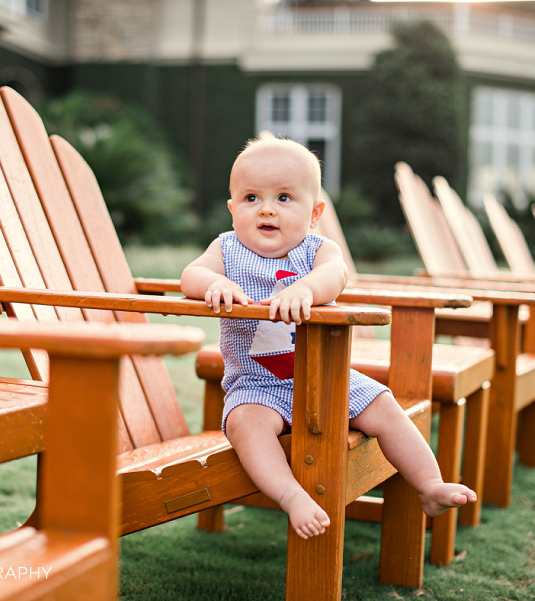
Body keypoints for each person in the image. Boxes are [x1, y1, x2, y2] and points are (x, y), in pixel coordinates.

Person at [180, 135, 476, 540]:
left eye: (284, 198)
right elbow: (190, 275)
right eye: (251, 198)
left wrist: (306, 290)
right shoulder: (227, 250)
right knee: (245, 426)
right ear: (233, 210)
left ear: (314, 212)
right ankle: (291, 496)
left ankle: (430, 485)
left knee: (387, 408)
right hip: (256, 386)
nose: (266, 208)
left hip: (327, 378)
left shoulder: (317, 251)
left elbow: (335, 276)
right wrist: (213, 284)